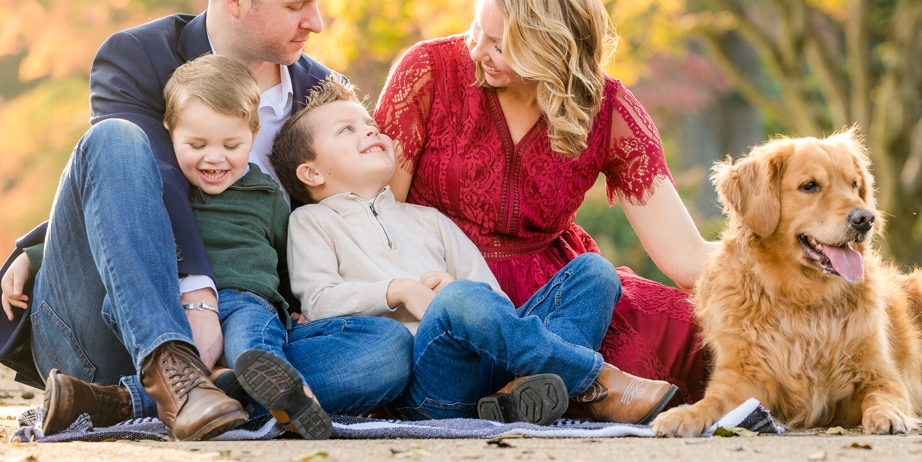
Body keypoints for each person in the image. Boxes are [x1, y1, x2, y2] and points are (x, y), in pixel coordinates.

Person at [0, 0, 412, 441]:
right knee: (114, 138)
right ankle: (169, 369)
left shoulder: (323, 96)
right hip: (111, 329)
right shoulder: (138, 57)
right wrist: (193, 293)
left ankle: (120, 403)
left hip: (252, 329)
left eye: (316, 2)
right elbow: (142, 180)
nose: (315, 22)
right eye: (298, 5)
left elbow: (338, 218)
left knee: (387, 353)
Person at [374, 0, 716, 405]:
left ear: (553, 51)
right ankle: (585, 383)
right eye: (478, 29)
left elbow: (688, 257)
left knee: (716, 338)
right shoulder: (429, 72)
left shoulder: (608, 109)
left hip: (557, 303)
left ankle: (533, 390)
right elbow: (377, 214)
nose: (477, 50)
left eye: (500, 45)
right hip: (447, 295)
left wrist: (795, 266)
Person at [271, 76, 679, 425]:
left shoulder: (427, 218)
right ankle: (593, 379)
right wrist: (397, 290)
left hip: (490, 370)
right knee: (459, 298)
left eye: (371, 125)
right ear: (311, 172)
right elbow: (321, 300)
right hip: (430, 385)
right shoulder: (311, 223)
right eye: (347, 130)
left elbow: (493, 301)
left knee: (593, 271)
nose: (370, 132)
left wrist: (453, 290)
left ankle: (518, 393)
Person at [159, 55, 332, 439]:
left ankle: (294, 400)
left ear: (254, 134)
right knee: (173, 359)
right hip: (177, 301)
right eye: (197, 144)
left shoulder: (265, 194)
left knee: (251, 347)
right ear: (169, 130)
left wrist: (296, 304)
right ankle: (219, 387)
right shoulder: (165, 188)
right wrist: (31, 259)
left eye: (231, 144)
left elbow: (288, 256)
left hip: (247, 300)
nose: (214, 158)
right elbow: (109, 232)